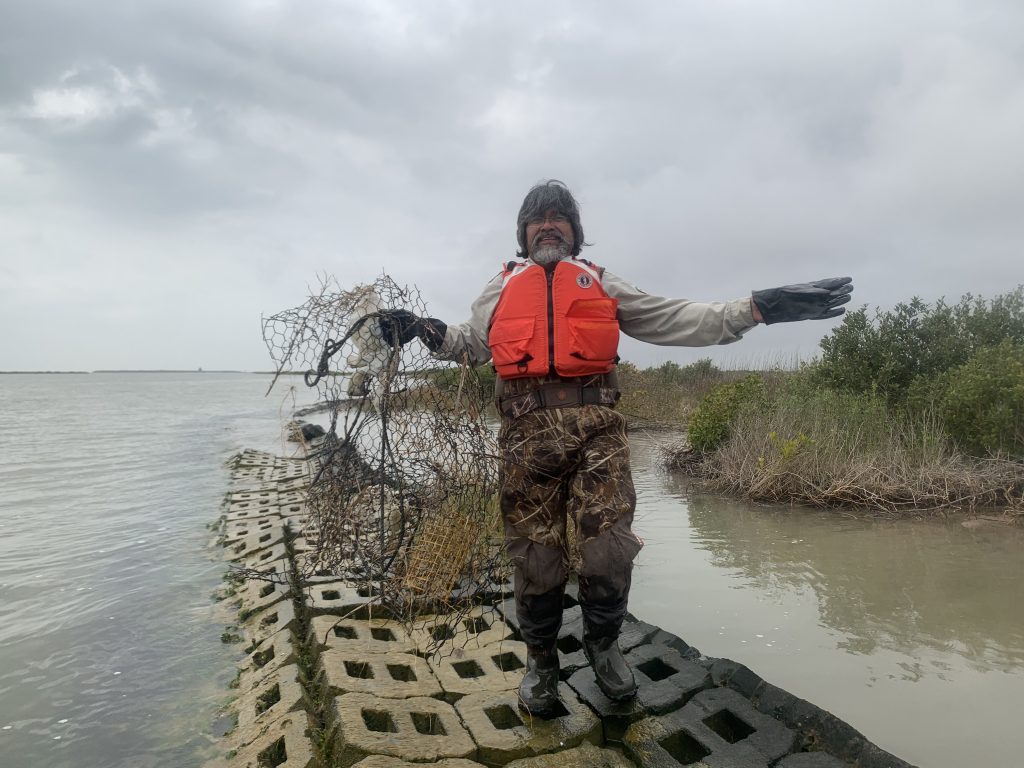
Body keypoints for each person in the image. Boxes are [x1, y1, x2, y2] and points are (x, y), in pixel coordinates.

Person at [379, 180, 852, 717]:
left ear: (575, 233)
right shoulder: (501, 287)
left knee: (607, 547)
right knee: (535, 555)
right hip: (524, 434)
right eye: (538, 219)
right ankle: (541, 662)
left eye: (560, 218)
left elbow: (678, 317)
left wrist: (757, 309)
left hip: (597, 431)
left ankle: (603, 647)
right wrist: (421, 328)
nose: (549, 224)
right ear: (523, 233)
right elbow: (470, 344)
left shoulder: (602, 283)